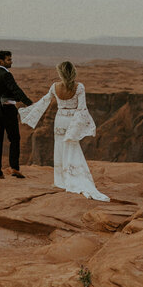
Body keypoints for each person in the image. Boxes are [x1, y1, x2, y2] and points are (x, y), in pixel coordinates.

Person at [17, 61, 109, 201]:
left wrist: (28, 113)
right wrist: (80, 126)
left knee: (59, 148)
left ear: (60, 73)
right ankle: (73, 178)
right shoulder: (79, 87)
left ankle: (61, 180)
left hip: (60, 120)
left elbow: (44, 101)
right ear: (73, 72)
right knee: (72, 148)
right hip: (72, 119)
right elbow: (82, 109)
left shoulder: (55, 86)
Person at [0, 49, 32, 179]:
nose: (11, 61)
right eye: (9, 59)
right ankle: (14, 168)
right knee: (14, 138)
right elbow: (16, 90)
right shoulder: (6, 74)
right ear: (1, 60)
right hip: (7, 110)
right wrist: (29, 103)